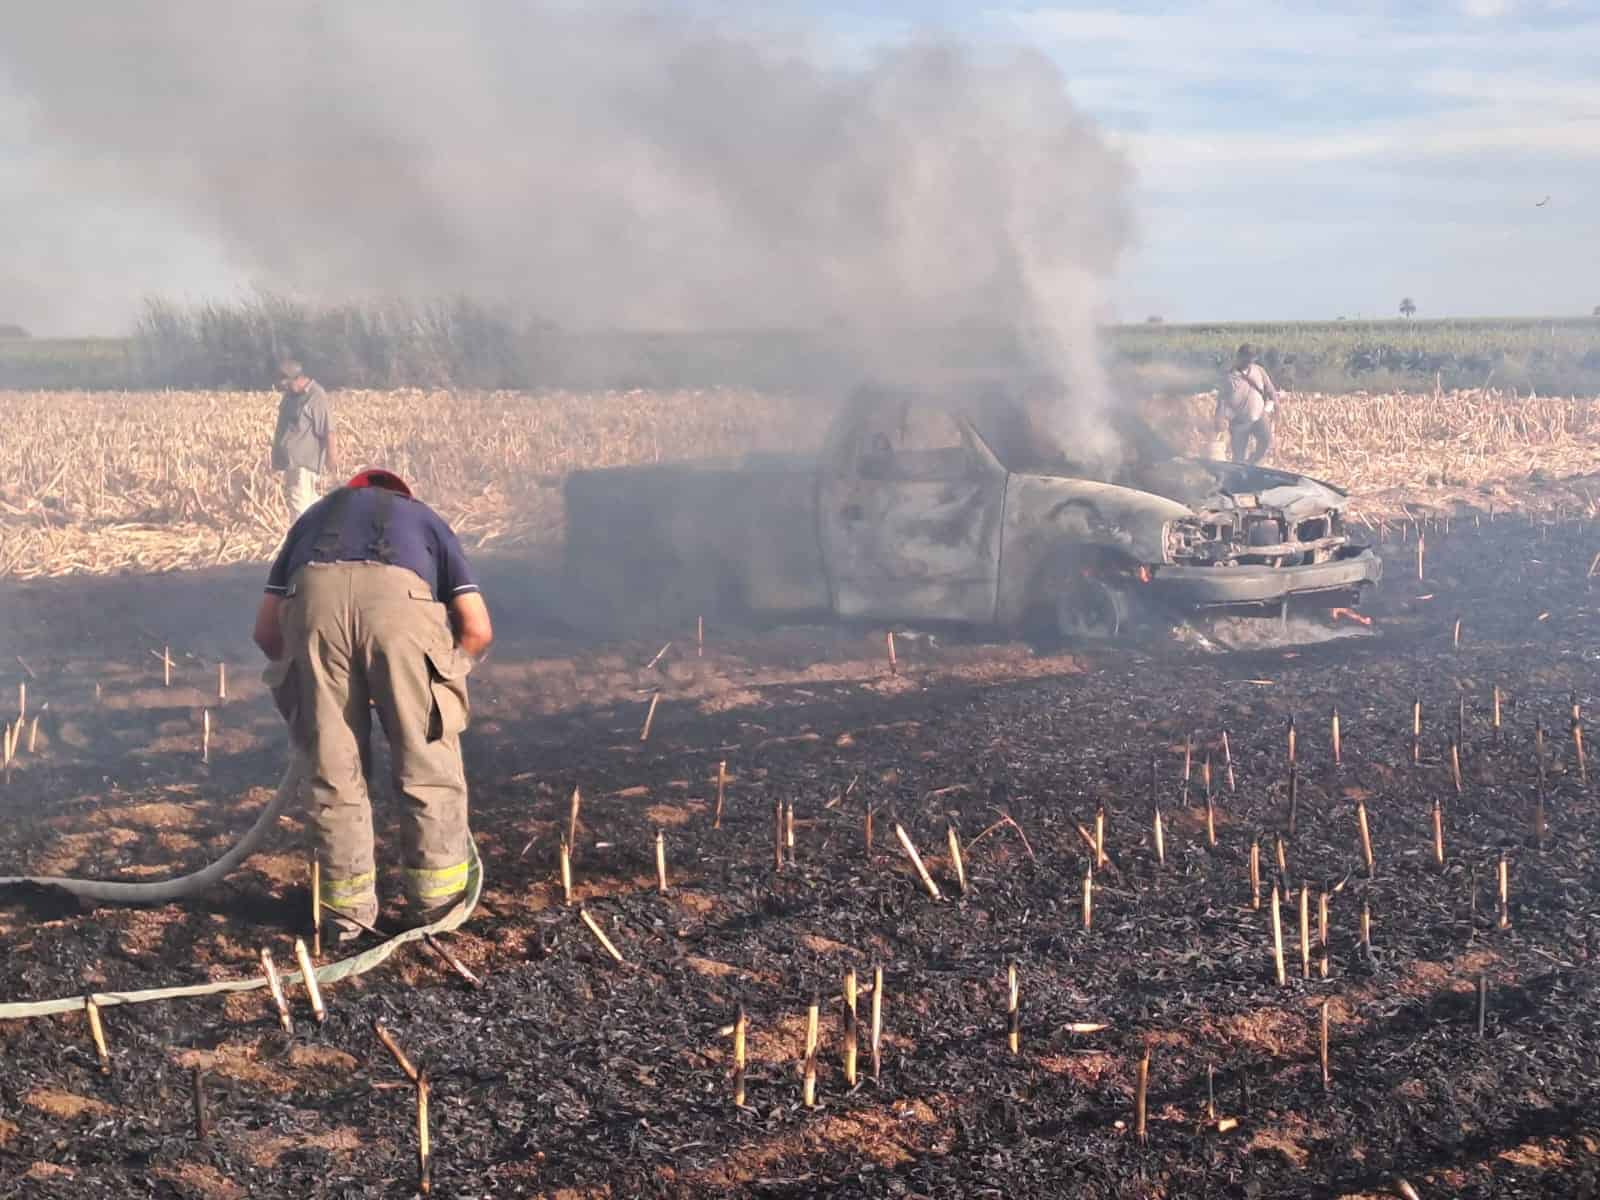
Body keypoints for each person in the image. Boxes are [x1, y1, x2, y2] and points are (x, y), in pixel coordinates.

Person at [252, 468, 494, 941]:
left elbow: (265, 632)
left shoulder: (311, 520)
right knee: (426, 765)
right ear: (401, 495)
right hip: (401, 610)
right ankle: (438, 911)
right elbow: (477, 628)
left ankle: (345, 917)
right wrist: (441, 675)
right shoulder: (424, 519)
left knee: (332, 772)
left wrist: (318, 682)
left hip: (313, 604)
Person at [271, 358, 336, 522]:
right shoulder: (290, 396)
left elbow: (328, 431)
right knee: (309, 506)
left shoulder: (316, 396)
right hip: (291, 463)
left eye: (286, 384)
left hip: (303, 465)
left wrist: (331, 460)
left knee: (298, 507)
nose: (283, 388)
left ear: (296, 378)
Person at [1215, 343, 1279, 464]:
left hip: (1259, 416)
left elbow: (1270, 389)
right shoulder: (1229, 376)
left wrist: (1276, 405)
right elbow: (1222, 399)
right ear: (1239, 356)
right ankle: (1239, 471)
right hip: (1239, 421)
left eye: (1251, 358)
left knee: (1266, 441)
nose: (1249, 361)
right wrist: (1218, 417)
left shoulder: (1259, 370)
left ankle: (1252, 462)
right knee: (1238, 456)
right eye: (1246, 357)